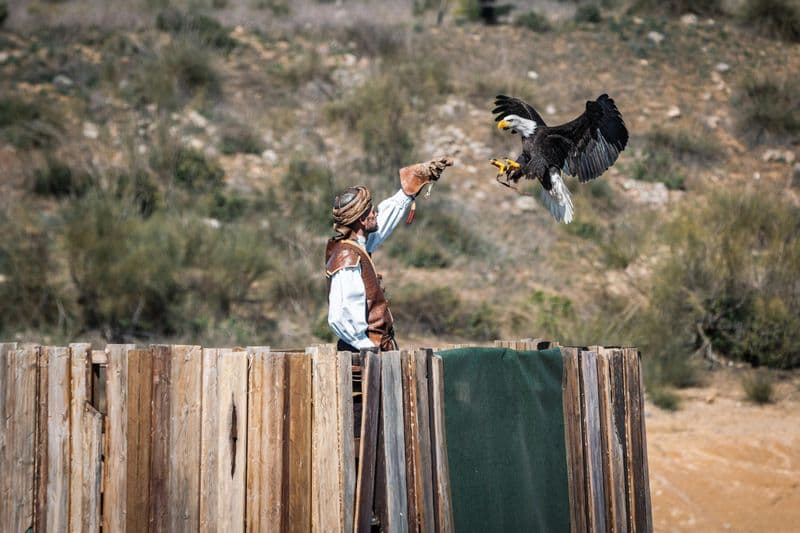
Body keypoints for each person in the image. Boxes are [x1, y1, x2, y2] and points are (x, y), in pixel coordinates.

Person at [325, 157, 453, 352]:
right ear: (361, 219)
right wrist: (365, 346)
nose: (375, 212)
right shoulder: (347, 258)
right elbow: (340, 315)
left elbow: (382, 223)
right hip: (364, 354)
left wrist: (406, 194)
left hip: (373, 350)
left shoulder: (358, 246)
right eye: (370, 210)